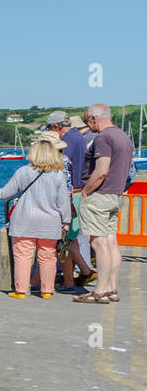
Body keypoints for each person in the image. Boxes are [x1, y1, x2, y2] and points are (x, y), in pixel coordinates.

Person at [0, 131, 71, 298]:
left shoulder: (23, 172)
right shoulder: (58, 176)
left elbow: (6, 193)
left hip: (24, 221)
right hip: (49, 222)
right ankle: (46, 290)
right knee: (47, 257)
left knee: (23, 256)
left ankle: (20, 290)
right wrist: (66, 221)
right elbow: (63, 202)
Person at [75, 103, 133, 303]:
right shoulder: (123, 136)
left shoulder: (103, 138)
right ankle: (111, 289)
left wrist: (86, 190)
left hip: (100, 195)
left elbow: (101, 170)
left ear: (94, 118)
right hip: (116, 195)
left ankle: (99, 291)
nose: (88, 125)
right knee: (110, 242)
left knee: (98, 243)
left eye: (87, 121)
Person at [42, 111, 96, 288]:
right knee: (71, 238)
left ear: (57, 127)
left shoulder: (68, 142)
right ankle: (78, 274)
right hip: (77, 191)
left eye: (51, 129)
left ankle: (72, 277)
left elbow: (62, 170)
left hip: (69, 194)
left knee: (65, 239)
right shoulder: (78, 136)